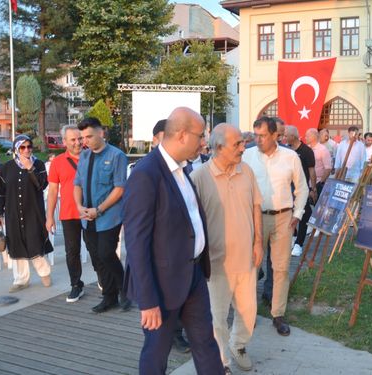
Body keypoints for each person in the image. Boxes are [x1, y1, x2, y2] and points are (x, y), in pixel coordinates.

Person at [123, 107, 223, 375]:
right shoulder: (146, 174)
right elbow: (135, 243)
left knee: (206, 343)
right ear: (181, 134)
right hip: (162, 286)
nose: (203, 142)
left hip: (193, 276)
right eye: (200, 136)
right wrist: (147, 300)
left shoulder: (183, 168)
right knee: (156, 354)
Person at [190, 124, 264, 373]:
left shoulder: (247, 171)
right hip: (215, 263)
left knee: (248, 313)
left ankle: (239, 345)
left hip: (246, 258)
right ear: (218, 148)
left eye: (243, 142)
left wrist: (258, 242)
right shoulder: (199, 177)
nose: (244, 147)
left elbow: (256, 207)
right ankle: (221, 362)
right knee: (216, 319)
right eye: (238, 144)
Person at [242, 116, 308, 337]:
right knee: (251, 268)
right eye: (256, 135)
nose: (257, 139)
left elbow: (302, 188)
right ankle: (248, 315)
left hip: (283, 218)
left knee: (280, 268)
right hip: (255, 218)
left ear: (274, 135)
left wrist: (297, 214)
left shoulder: (290, 157)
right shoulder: (247, 156)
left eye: (262, 135)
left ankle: (278, 314)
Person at [73, 117, 129, 313]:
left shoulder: (117, 156)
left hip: (109, 217)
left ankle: (124, 289)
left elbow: (119, 188)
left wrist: (99, 209)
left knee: (106, 253)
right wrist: (79, 207)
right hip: (88, 218)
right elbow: (77, 184)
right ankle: (109, 296)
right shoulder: (85, 157)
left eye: (88, 136)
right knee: (97, 258)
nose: (84, 141)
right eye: (82, 138)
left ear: (101, 133)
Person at [0, 135, 53, 292]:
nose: (26, 150)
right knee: (17, 243)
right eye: (22, 147)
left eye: (29, 146)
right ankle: (21, 279)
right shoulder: (7, 168)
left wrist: (30, 168)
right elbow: (1, 193)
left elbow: (42, 185)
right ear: (16, 149)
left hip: (33, 212)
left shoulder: (38, 164)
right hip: (13, 213)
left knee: (35, 242)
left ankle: (44, 273)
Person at [46, 125, 86, 302]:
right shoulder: (58, 162)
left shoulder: (91, 157)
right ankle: (76, 285)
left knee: (98, 249)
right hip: (69, 213)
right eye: (73, 139)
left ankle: (105, 282)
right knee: (72, 251)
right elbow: (53, 191)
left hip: (91, 211)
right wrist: (49, 217)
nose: (78, 142)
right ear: (64, 142)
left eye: (79, 138)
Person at [285, 125, 316, 257]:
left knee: (304, 214)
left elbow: (311, 170)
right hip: (286, 189)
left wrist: (313, 188)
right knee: (288, 215)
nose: (284, 138)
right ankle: (293, 236)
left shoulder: (306, 151)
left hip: (302, 189)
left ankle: (299, 243)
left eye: (286, 135)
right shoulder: (285, 150)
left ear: (293, 136)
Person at [305, 128, 332, 196]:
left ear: (313, 137)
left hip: (318, 184)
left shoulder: (323, 150)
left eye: (307, 136)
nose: (305, 138)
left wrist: (320, 184)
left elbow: (328, 169)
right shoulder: (306, 149)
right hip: (307, 185)